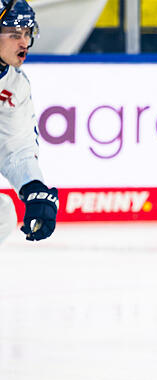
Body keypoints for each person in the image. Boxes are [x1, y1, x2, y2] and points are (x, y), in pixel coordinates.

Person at [0, 0, 57, 245]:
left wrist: (32, 187)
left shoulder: (14, 85)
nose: (23, 43)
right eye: (14, 34)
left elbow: (16, 146)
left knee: (2, 214)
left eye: (26, 33)